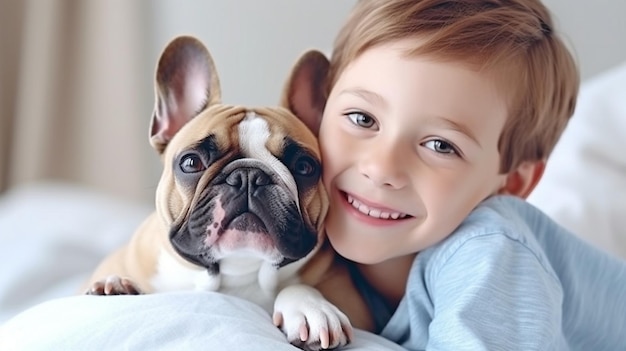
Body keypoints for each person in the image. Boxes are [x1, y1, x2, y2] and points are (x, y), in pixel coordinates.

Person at [316, 0, 626, 349]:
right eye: (362, 118)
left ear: (512, 183)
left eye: (441, 146)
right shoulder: (293, 221)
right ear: (319, 107)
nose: (381, 168)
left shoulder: (489, 255)